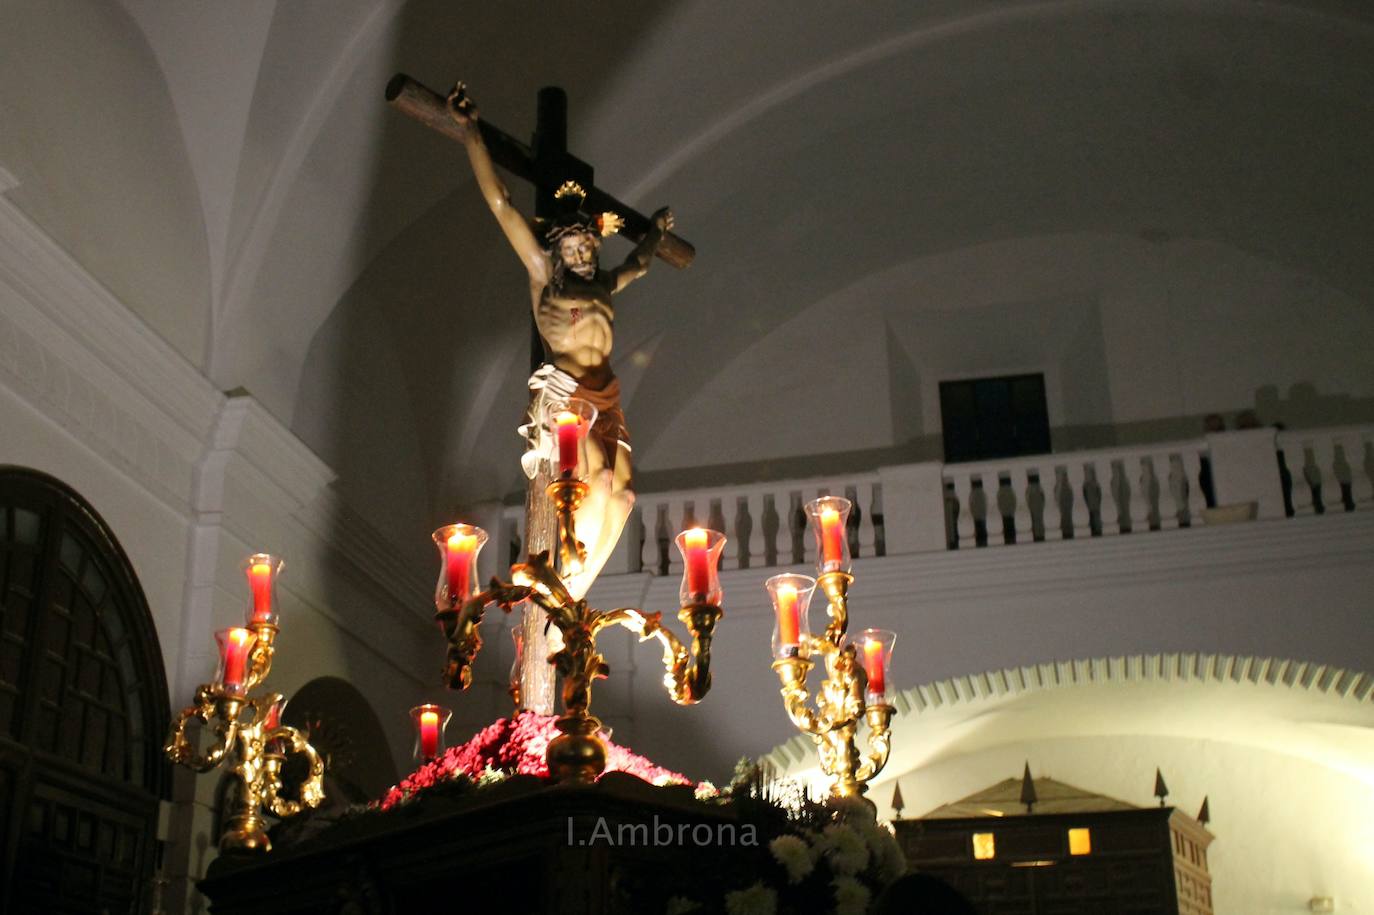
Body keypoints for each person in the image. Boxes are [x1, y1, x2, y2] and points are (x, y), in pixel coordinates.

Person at [447, 84, 673, 596]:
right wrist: (471, 132)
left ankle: (577, 594)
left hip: (607, 394)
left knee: (624, 497)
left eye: (588, 246)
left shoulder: (603, 284)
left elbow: (639, 263)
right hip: (568, 396)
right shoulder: (544, 278)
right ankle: (563, 581)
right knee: (595, 482)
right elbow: (502, 205)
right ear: (558, 250)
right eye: (572, 249)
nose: (582, 255)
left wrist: (656, 234)